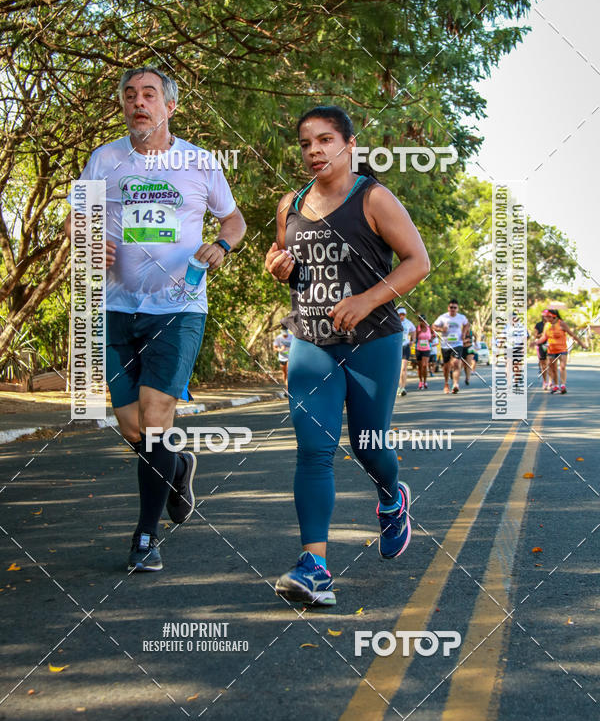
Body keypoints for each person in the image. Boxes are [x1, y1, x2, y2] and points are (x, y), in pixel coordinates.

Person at [63, 66, 246, 572]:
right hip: (117, 306)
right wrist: (85, 237)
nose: (138, 102)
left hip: (179, 304)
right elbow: (77, 215)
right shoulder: (105, 160)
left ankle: (145, 536)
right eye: (129, 95)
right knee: (131, 427)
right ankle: (179, 465)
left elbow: (234, 218)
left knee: (156, 415)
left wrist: (222, 244)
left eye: (149, 94)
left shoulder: (198, 161)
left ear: (169, 106)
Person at [264, 105, 429, 606]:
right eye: (306, 143)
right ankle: (315, 566)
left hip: (373, 343)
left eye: (325, 140)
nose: (314, 150)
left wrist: (365, 300)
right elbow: (282, 258)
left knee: (367, 445)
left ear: (349, 144)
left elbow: (417, 262)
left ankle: (391, 496)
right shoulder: (290, 203)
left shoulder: (373, 198)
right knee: (314, 449)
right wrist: (277, 266)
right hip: (310, 341)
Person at [535, 309, 586, 393]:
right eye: (545, 316)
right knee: (553, 368)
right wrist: (536, 342)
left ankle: (563, 385)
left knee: (562, 367)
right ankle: (555, 385)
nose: (546, 318)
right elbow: (544, 337)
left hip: (562, 349)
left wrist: (581, 344)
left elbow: (572, 334)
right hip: (551, 350)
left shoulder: (561, 323)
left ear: (554, 316)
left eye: (548, 316)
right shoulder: (547, 325)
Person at [433, 300, 469, 394]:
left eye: (455, 307)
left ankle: (455, 384)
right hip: (445, 345)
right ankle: (446, 384)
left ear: (457, 309)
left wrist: (464, 333)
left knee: (456, 363)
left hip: (457, 344)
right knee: (446, 366)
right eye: (451, 307)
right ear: (448, 308)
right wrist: (441, 329)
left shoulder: (461, 317)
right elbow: (433, 326)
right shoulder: (443, 317)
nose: (453, 309)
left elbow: (466, 324)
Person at [398, 307, 416, 396]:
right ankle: (397, 387)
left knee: (403, 368)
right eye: (400, 314)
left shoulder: (408, 323)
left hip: (405, 347)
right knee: (396, 369)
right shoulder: (393, 322)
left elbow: (413, 330)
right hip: (395, 348)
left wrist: (413, 340)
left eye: (403, 315)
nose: (401, 316)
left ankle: (402, 387)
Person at [532, 312, 550, 389]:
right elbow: (535, 335)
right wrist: (543, 335)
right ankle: (545, 381)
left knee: (549, 363)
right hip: (541, 345)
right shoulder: (538, 325)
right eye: (543, 316)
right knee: (543, 364)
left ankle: (550, 382)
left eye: (546, 316)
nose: (544, 317)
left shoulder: (551, 325)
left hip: (550, 345)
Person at [414, 315, 432, 389]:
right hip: (418, 349)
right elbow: (415, 337)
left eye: (423, 320)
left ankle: (425, 381)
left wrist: (432, 339)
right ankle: (420, 381)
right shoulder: (417, 328)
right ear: (419, 321)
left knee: (425, 366)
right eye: (421, 320)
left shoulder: (429, 328)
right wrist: (418, 332)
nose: (422, 322)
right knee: (420, 367)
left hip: (426, 349)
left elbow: (433, 335)